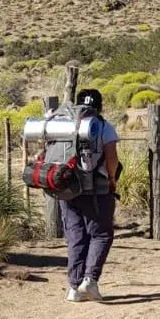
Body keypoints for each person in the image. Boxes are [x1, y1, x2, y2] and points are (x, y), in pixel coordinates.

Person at [61, 88, 120, 302]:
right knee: (101, 234)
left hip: (67, 188)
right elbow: (111, 157)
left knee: (76, 236)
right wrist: (112, 179)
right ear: (100, 105)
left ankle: (73, 288)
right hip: (97, 189)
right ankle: (90, 280)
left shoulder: (64, 124)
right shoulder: (103, 126)